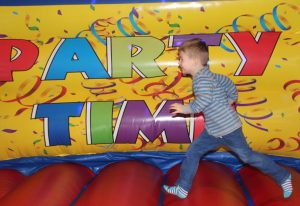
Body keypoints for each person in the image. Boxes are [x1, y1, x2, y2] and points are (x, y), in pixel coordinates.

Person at [163, 38, 293, 199]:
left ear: (195, 61)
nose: (179, 63)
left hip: (229, 130)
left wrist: (185, 109)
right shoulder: (212, 76)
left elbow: (203, 101)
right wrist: (231, 98)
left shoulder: (201, 80)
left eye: (181, 59)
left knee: (247, 157)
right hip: (213, 131)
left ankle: (283, 177)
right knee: (194, 152)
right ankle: (182, 188)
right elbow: (229, 84)